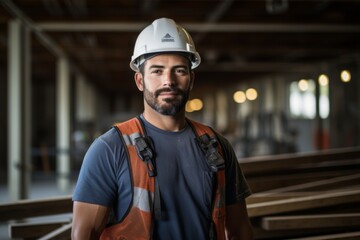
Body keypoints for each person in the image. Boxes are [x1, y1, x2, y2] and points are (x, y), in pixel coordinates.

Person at [72, 17, 253, 240]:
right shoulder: (110, 149)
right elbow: (84, 234)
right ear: (140, 81)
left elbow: (240, 229)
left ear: (191, 79)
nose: (169, 81)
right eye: (157, 71)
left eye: (179, 71)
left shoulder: (217, 146)